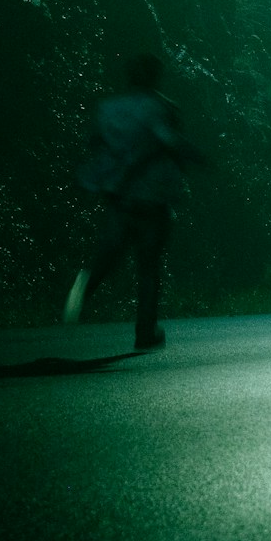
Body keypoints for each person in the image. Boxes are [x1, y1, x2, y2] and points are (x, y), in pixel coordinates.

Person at [64, 52, 203, 350]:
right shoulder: (162, 107)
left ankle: (84, 287)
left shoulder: (107, 108)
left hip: (119, 196)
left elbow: (95, 145)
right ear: (155, 76)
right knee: (149, 266)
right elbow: (171, 143)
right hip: (152, 198)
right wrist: (198, 159)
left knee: (109, 255)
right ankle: (145, 331)